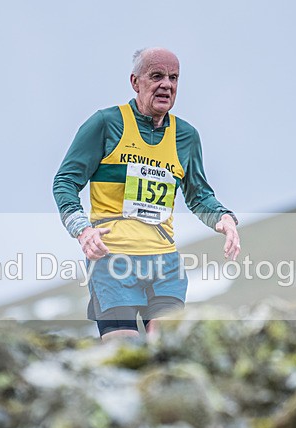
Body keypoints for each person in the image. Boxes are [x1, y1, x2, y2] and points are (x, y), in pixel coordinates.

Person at [53, 47, 240, 340]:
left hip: (164, 265)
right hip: (112, 262)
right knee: (124, 351)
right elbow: (65, 181)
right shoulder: (105, 124)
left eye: (174, 78)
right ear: (135, 82)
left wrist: (224, 219)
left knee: (166, 350)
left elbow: (199, 194)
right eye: (157, 76)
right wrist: (82, 230)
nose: (167, 84)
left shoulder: (186, 137)